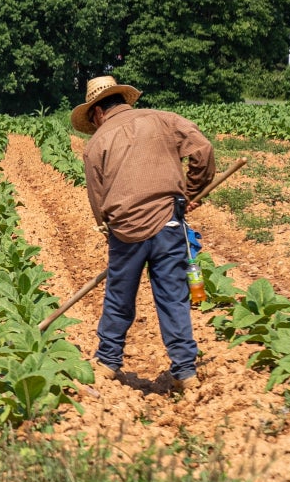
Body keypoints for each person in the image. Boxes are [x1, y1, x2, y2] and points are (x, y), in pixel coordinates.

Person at [72, 75, 216, 390]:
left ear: (97, 112)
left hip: (126, 230)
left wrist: (110, 231)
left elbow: (98, 202)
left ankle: (108, 362)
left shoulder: (96, 143)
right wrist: (189, 193)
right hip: (168, 223)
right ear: (122, 100)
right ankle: (185, 371)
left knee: (119, 298)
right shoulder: (164, 120)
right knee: (172, 298)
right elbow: (203, 150)